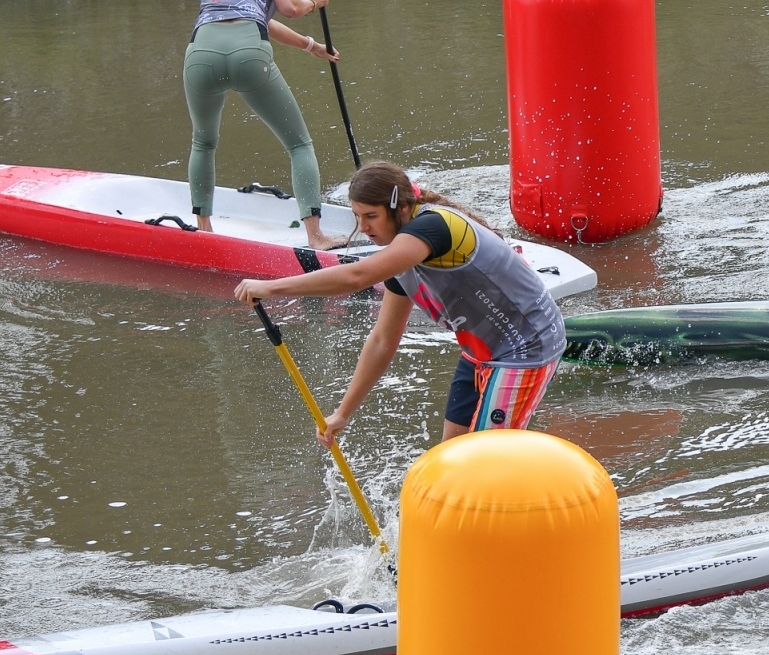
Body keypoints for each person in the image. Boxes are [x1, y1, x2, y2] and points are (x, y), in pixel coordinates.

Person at [234, 160, 566, 447]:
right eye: (356, 216)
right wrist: (343, 413)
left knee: (483, 464)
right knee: (449, 459)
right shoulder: (400, 256)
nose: (363, 227)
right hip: (482, 349)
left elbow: (356, 277)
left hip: (527, 347)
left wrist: (272, 287)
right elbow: (382, 339)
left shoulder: (435, 227)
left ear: (401, 209)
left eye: (371, 216)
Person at [185, 0, 344, 250]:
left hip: (199, 55)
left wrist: (311, 46)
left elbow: (261, 18)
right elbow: (289, 8)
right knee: (299, 144)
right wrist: (313, 1)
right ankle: (315, 237)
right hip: (247, 55)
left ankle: (204, 230)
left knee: (203, 142)